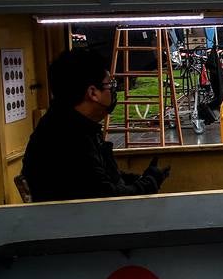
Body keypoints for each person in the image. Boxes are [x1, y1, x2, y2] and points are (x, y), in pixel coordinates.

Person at [22, 48, 170, 202]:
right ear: (93, 93)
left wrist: (140, 179)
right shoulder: (68, 138)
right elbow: (108, 198)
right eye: (110, 85)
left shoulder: (69, 125)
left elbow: (104, 177)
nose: (113, 90)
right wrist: (148, 184)